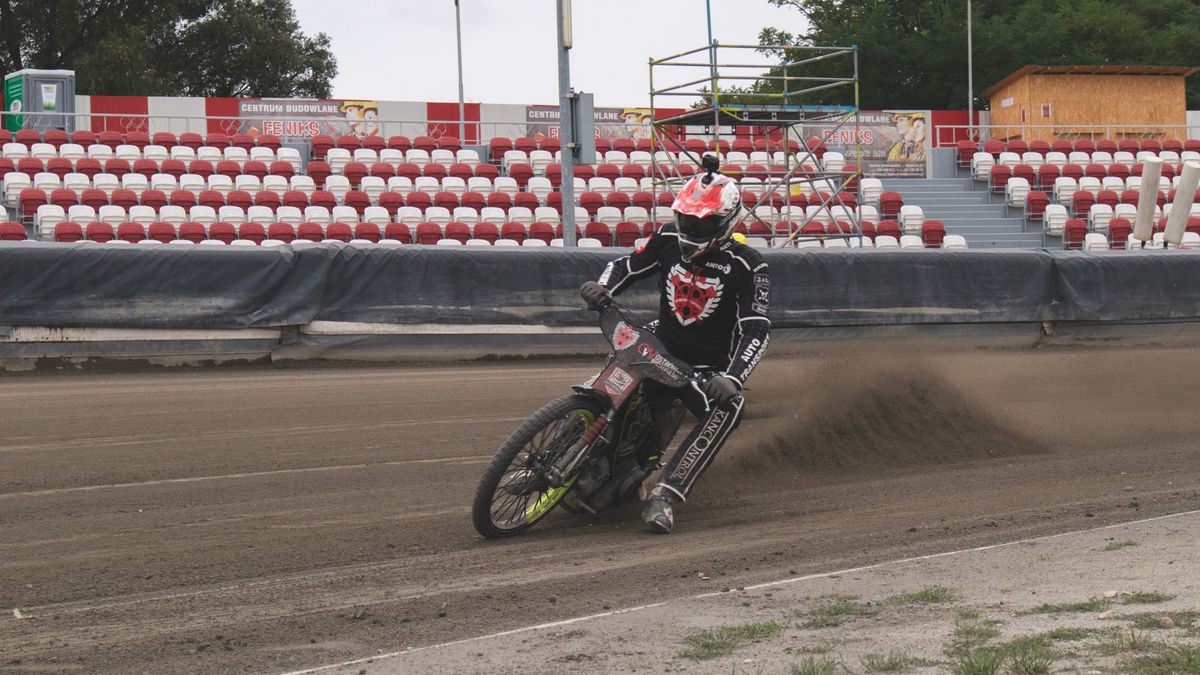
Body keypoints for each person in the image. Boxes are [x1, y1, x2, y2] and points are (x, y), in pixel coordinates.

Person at [579, 157, 771, 533]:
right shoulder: (667, 238)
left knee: (731, 406)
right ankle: (581, 435)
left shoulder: (749, 265)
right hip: (662, 341)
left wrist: (733, 378)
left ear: (727, 221)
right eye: (686, 219)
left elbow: (757, 330)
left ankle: (665, 494)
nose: (691, 228)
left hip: (708, 367)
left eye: (703, 223)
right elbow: (627, 265)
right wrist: (603, 287)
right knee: (624, 347)